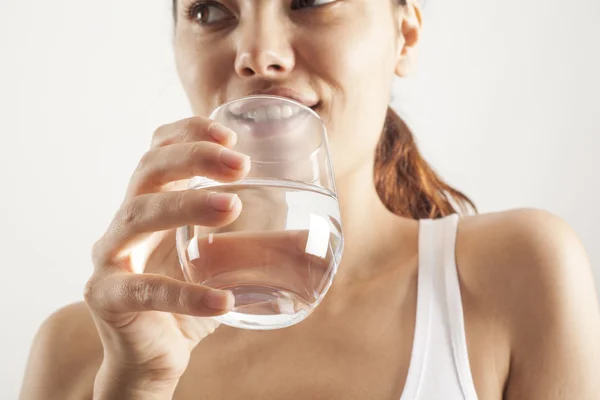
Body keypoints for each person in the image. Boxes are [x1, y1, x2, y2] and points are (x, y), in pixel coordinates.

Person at [20, 0, 600, 399]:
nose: (257, 53)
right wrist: (138, 384)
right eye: (209, 10)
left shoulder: (517, 278)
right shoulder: (82, 353)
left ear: (407, 34)